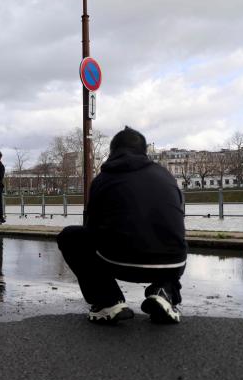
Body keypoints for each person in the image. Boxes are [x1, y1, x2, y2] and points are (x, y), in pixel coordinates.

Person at [57, 126, 187, 325]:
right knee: (169, 235)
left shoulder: (104, 179)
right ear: (144, 151)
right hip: (172, 263)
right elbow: (176, 220)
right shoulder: (166, 176)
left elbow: (92, 229)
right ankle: (165, 291)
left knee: (70, 236)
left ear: (112, 151)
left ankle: (108, 301)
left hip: (120, 262)